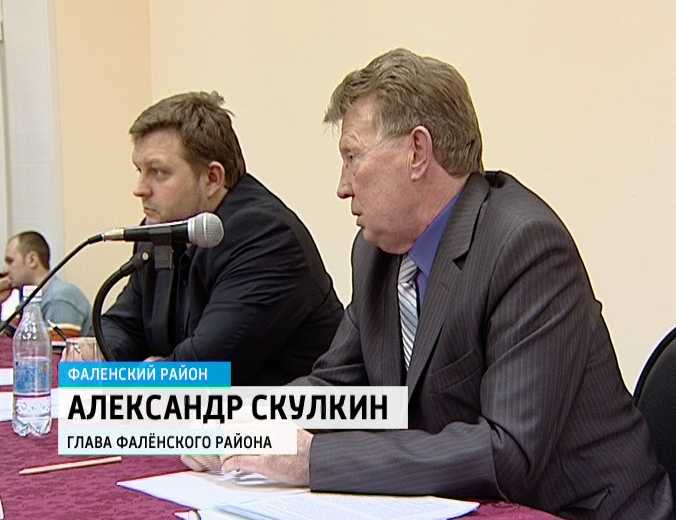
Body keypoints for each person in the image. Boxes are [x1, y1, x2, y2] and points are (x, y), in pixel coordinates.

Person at [184, 50, 673, 518]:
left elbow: (508, 452)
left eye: (352, 157)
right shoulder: (375, 253)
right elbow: (340, 387)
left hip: (573, 511)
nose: (342, 186)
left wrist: (314, 460)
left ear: (417, 151)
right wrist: (247, 424)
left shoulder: (524, 245)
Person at [84, 91, 343, 385]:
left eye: (158, 172)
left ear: (212, 178)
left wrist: (146, 373)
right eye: (139, 170)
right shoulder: (160, 231)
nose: (139, 189)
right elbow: (125, 324)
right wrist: (95, 355)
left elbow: (203, 369)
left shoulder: (266, 237)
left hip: (287, 412)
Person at [3, 231, 92, 333]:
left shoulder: (61, 297)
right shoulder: (28, 300)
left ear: (32, 260)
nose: (5, 269)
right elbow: (6, 338)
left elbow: (58, 343)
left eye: (10, 261)